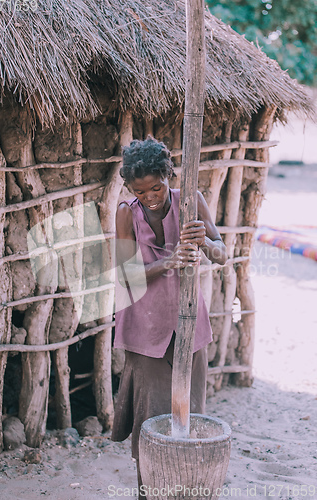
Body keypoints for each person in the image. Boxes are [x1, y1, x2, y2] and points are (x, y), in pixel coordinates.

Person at [111, 136, 227, 497]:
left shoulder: (191, 202)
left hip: (189, 324)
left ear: (168, 176)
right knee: (151, 420)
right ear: (131, 188)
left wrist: (205, 244)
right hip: (145, 329)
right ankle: (150, 491)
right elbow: (125, 274)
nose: (150, 196)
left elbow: (222, 252)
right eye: (140, 190)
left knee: (188, 416)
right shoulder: (126, 212)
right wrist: (168, 262)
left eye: (156, 188)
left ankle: (185, 488)